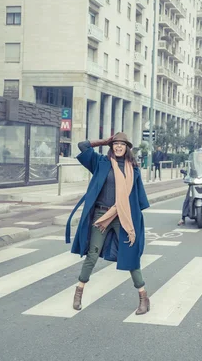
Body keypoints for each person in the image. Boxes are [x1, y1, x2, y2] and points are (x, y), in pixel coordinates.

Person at [66, 132, 151, 315]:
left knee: (131, 256)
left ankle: (143, 297)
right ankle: (79, 291)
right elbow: (82, 145)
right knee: (92, 255)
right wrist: (105, 141)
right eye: (115, 144)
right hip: (101, 216)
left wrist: (132, 220)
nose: (118, 147)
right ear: (112, 146)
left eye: (122, 144)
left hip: (123, 217)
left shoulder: (133, 169)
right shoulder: (101, 162)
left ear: (127, 148)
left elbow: (139, 199)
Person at [177, 149, 202, 226]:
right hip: (193, 183)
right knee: (188, 198)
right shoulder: (192, 164)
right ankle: (183, 218)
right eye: (199, 155)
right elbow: (188, 172)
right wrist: (186, 175)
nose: (200, 157)